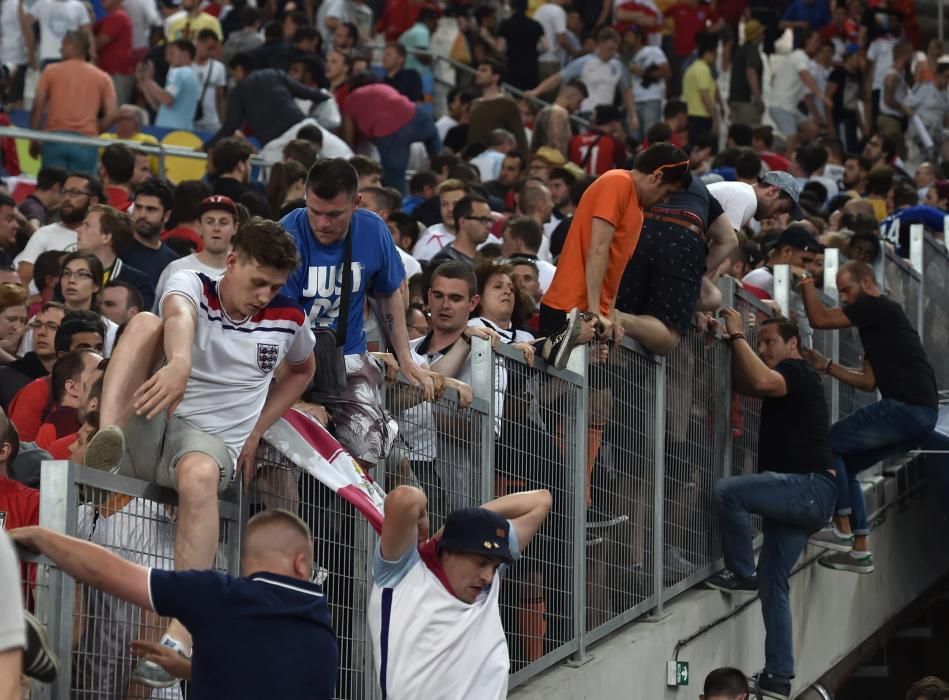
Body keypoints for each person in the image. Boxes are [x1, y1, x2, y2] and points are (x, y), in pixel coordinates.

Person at [83, 218, 316, 686]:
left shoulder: (290, 320)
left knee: (199, 476)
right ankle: (106, 437)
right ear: (231, 262)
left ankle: (184, 626)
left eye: (274, 286)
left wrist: (256, 430)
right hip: (154, 417)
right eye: (257, 282)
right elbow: (178, 316)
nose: (265, 295)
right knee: (146, 321)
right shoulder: (189, 280)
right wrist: (181, 361)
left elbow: (301, 371)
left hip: (207, 444)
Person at [11, 508, 338, 698]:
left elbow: (104, 572)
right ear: (301, 564)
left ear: (245, 561)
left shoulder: (220, 596)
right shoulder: (321, 626)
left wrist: (43, 537)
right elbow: (262, 678)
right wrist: (188, 669)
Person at [707, 313, 837, 700]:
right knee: (774, 584)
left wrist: (736, 334)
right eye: (758, 343)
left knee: (728, 491)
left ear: (792, 344)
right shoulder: (782, 377)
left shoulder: (796, 370)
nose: (763, 349)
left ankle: (741, 571)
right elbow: (747, 381)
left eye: (770, 342)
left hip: (807, 488)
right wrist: (730, 343)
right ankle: (779, 678)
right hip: (804, 498)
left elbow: (760, 379)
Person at [279, 158, 433, 471]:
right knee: (281, 456)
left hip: (346, 355)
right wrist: (295, 401)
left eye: (334, 214)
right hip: (287, 358)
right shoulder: (287, 234)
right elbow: (276, 323)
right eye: (314, 212)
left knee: (368, 444)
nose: (322, 223)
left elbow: (389, 292)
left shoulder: (373, 229)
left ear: (356, 204)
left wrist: (405, 356)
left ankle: (341, 513)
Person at [795, 261, 938, 573]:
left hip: (906, 407)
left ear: (867, 282)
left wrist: (804, 280)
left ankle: (842, 528)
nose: (844, 298)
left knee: (828, 443)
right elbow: (868, 381)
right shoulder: (880, 324)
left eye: (847, 289)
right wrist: (826, 364)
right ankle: (859, 550)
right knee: (846, 465)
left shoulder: (876, 306)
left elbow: (818, 319)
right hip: (921, 417)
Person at [369, 484, 551, 699]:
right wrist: (447, 530)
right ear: (448, 551)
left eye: (494, 566)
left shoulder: (485, 577)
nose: (489, 576)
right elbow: (405, 499)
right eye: (481, 562)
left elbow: (542, 500)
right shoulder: (402, 573)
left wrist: (474, 521)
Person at [539, 142, 691, 369]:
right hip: (569, 310)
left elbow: (615, 268)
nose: (665, 200)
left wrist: (608, 314)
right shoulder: (617, 182)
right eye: (667, 192)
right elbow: (597, 249)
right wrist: (593, 313)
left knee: (590, 400)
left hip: (589, 317)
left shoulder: (638, 211)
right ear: (657, 176)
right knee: (553, 397)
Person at [614, 168, 738, 355]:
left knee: (712, 296)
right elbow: (729, 239)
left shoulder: (636, 173)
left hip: (637, 232)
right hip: (681, 238)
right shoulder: (699, 189)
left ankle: (618, 315)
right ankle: (620, 318)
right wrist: (693, 278)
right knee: (669, 338)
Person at [29, 30, 117, 174]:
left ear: (72, 46)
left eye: (63, 45)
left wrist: (34, 139)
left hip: (54, 140)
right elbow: (112, 114)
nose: (60, 49)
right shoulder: (103, 77)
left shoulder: (51, 71)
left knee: (51, 190)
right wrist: (93, 130)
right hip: (86, 142)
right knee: (82, 190)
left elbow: (37, 107)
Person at [208, 52, 330, 152]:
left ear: (239, 69)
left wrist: (207, 146)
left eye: (233, 73)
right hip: (301, 130)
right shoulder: (275, 73)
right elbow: (305, 92)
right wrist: (326, 96)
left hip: (275, 144)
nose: (234, 78)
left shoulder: (238, 91)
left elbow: (230, 126)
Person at [340, 72, 441, 194]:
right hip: (419, 118)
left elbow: (348, 135)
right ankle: (445, 177)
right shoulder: (384, 87)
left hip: (391, 134)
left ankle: (399, 209)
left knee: (394, 185)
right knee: (439, 160)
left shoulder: (350, 99)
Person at [529, 27, 638, 135]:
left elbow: (626, 91)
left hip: (607, 114)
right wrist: (536, 91)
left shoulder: (618, 66)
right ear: (600, 44)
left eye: (615, 49)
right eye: (610, 49)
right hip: (587, 112)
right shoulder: (583, 63)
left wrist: (633, 115)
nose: (612, 53)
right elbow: (558, 78)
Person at [13, 173, 104, 287]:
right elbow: (22, 280)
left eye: (74, 193)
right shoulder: (44, 234)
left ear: (93, 201)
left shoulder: (101, 239)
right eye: (64, 192)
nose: (66, 198)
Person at [154, 195, 239, 306]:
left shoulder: (242, 272)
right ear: (199, 227)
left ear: (235, 228)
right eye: (209, 222)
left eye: (223, 222)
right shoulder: (176, 269)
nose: (216, 228)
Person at [740, 226, 822, 300]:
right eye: (805, 260)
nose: (808, 268)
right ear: (786, 252)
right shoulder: (760, 278)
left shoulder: (793, 285)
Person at [708, 172, 806, 233]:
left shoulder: (742, 191)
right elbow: (724, 243)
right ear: (772, 192)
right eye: (780, 209)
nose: (776, 216)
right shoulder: (748, 198)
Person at [466, 59, 529, 153]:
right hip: (475, 158)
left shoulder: (507, 103)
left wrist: (524, 161)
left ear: (495, 77)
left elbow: (519, 136)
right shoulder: (474, 103)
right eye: (478, 70)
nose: (478, 73)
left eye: (483, 70)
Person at [124, 178, 179, 286]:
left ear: (166, 216)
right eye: (138, 207)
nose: (142, 215)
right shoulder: (117, 249)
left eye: (151, 209)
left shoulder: (173, 262)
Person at [138, 39, 199, 131]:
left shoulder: (181, 72)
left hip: (172, 132)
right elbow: (159, 106)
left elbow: (167, 100)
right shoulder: (189, 74)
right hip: (174, 130)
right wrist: (144, 83)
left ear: (186, 54)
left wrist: (149, 81)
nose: (168, 56)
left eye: (172, 52)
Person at [413, 179, 470, 262]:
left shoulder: (485, 238)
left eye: (456, 204)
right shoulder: (428, 239)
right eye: (444, 204)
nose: (450, 209)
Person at [430, 195, 493, 269]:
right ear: (462, 222)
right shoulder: (445, 262)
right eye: (483, 220)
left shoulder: (482, 258)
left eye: (490, 220)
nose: (489, 226)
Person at [530, 80, 588, 157]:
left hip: (538, 163)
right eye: (579, 101)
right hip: (552, 165)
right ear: (571, 96)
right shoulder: (560, 114)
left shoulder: (542, 111)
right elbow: (558, 147)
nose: (579, 107)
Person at [683, 31, 722, 143]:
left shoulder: (692, 67)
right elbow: (705, 95)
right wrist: (715, 118)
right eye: (715, 53)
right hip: (701, 116)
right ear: (708, 53)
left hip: (692, 115)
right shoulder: (703, 70)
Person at [729, 20, 766, 128]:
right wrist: (757, 97)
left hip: (735, 100)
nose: (763, 36)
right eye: (762, 33)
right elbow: (751, 71)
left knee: (737, 136)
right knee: (750, 135)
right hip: (747, 102)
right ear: (757, 35)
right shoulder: (752, 50)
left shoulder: (741, 49)